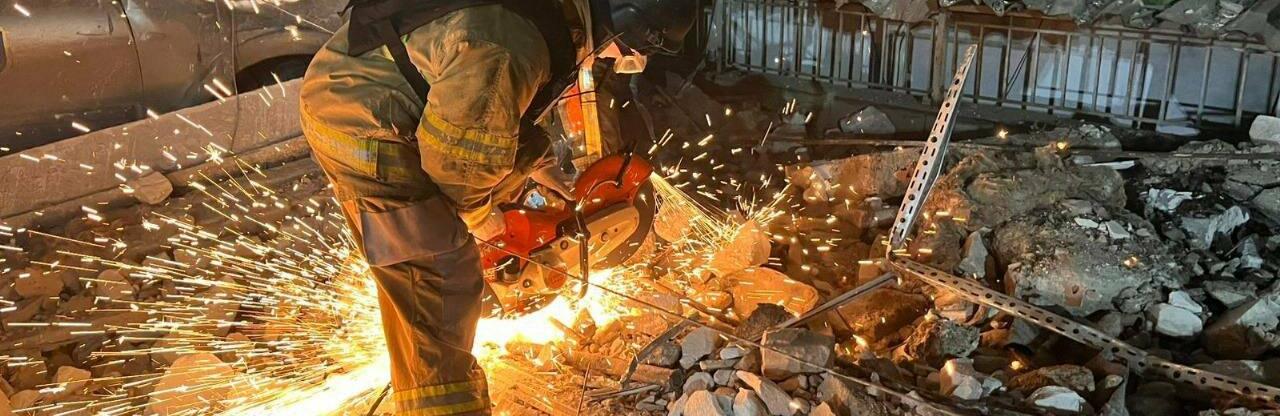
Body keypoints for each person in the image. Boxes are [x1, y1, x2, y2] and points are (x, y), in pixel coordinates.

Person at [298, 0, 695, 414]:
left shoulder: (549, 16)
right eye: (630, 51)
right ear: (622, 21)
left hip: (370, 91)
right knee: (440, 275)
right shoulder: (510, 45)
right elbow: (455, 163)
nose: (622, 60)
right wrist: (479, 216)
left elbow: (497, 111)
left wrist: (538, 166)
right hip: (360, 120)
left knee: (471, 205)